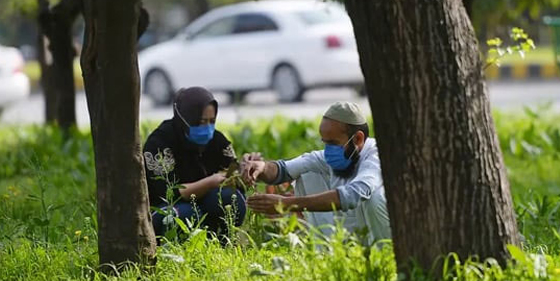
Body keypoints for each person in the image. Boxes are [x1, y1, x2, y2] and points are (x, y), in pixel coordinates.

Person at [241, 101, 391, 244]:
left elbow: (354, 194)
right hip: (356, 235)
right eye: (325, 143)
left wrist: (286, 204)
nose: (328, 150)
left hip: (386, 234)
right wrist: (260, 168)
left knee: (374, 198)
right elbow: (283, 170)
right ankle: (329, 251)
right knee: (308, 173)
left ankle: (384, 257)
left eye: (333, 143)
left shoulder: (376, 156)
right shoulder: (340, 155)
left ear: (358, 139)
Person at [143, 87, 246, 241]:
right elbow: (169, 195)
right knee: (179, 216)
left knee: (231, 197)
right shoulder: (160, 144)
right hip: (170, 207)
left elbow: (233, 171)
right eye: (201, 122)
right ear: (185, 118)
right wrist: (209, 183)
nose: (207, 128)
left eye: (212, 122)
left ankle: (223, 240)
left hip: (205, 203)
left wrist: (246, 171)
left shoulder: (217, 140)